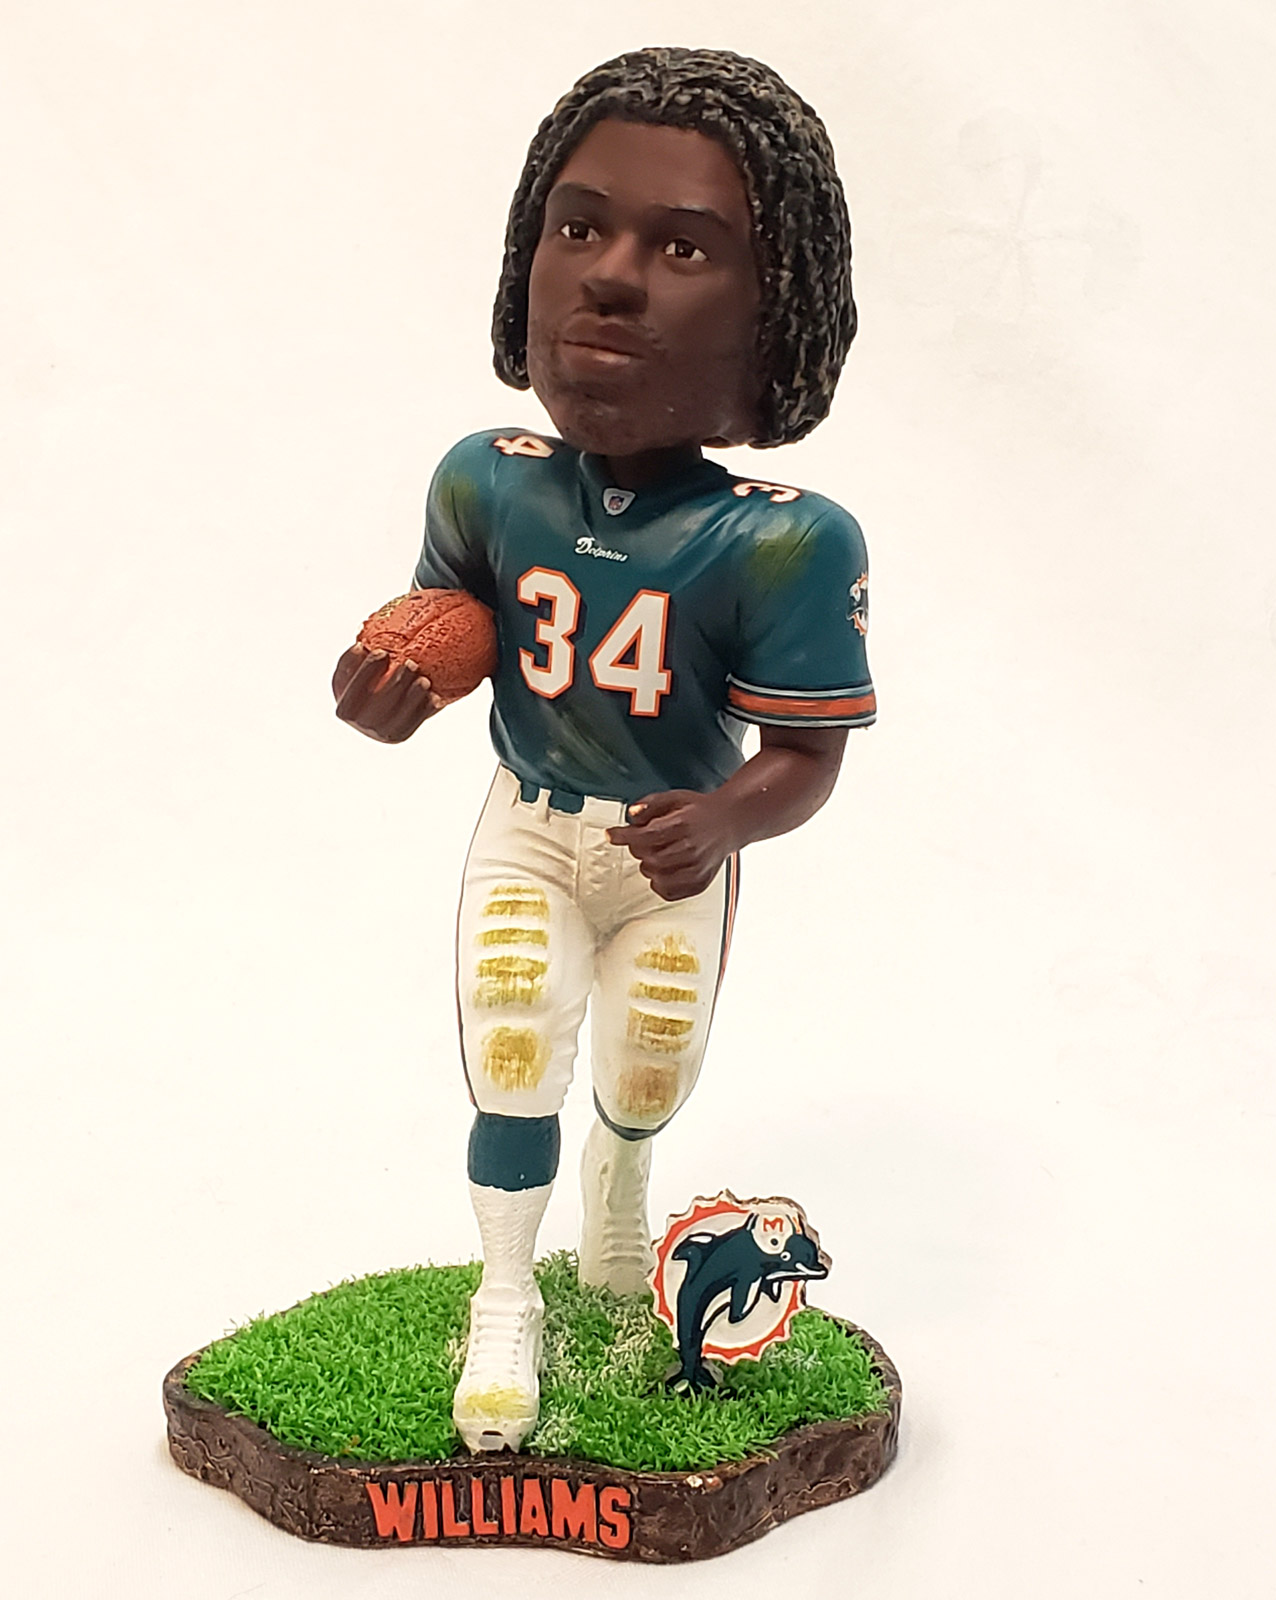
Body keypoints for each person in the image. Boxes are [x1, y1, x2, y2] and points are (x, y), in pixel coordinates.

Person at [332, 47, 874, 1453]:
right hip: (531, 821)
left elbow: (806, 756)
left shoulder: (786, 538)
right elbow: (454, 625)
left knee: (645, 1073)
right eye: (580, 228)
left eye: (683, 247)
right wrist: (398, 687)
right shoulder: (485, 479)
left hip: (665, 850)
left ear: (778, 307)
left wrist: (730, 817)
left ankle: (621, 1203)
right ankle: (507, 1297)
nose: (612, 279)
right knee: (513, 1049)